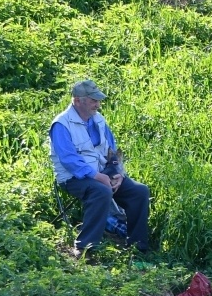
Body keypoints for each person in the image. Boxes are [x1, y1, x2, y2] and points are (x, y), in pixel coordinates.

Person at [49, 78, 151, 256]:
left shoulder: (99, 120)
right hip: (74, 178)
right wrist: (99, 177)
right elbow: (69, 160)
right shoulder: (61, 124)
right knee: (101, 191)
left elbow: (112, 151)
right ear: (78, 101)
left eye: (98, 100)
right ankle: (84, 248)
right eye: (93, 100)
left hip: (104, 173)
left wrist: (118, 174)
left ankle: (138, 246)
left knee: (140, 191)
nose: (98, 105)